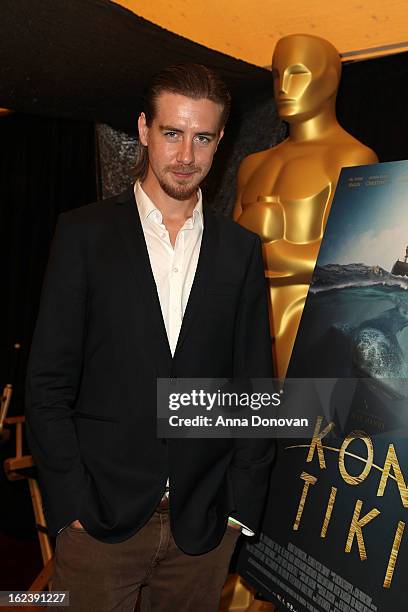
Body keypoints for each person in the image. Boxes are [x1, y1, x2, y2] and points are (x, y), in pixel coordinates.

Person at [26, 63, 274, 612]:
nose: (186, 155)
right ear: (143, 129)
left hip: (202, 532)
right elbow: (47, 383)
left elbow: (255, 391)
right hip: (98, 525)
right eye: (172, 133)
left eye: (202, 137)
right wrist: (70, 507)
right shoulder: (84, 234)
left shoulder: (240, 251)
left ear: (219, 143)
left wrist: (237, 513)